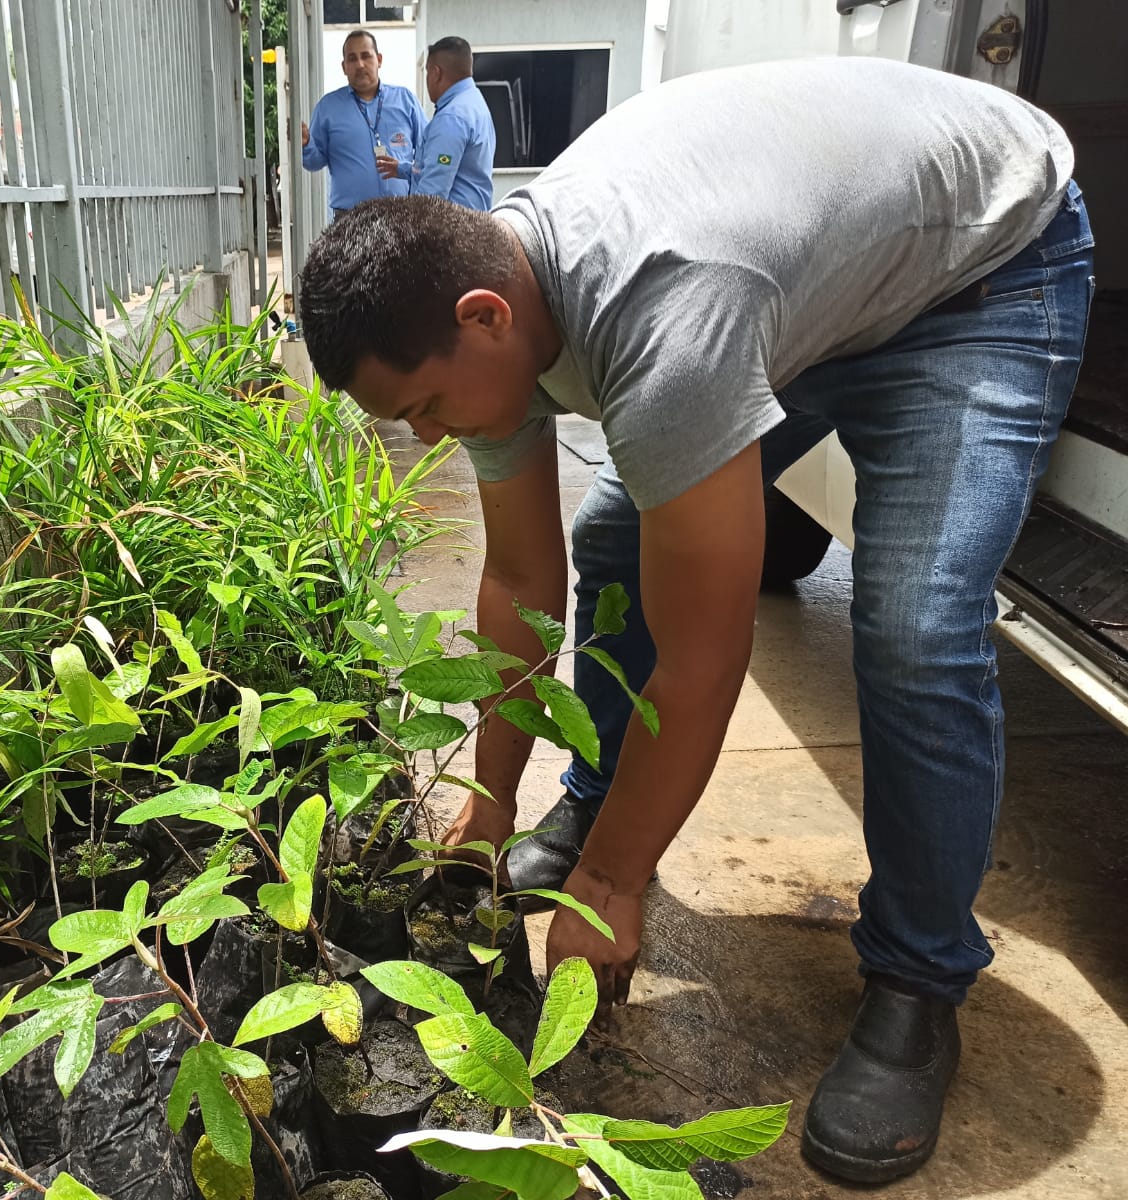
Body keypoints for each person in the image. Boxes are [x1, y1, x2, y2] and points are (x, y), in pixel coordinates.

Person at [297, 57, 1090, 1185]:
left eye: (424, 407)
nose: (424, 438)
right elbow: (520, 585)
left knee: (915, 627)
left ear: (484, 316)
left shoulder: (662, 314)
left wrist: (618, 886)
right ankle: (593, 800)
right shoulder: (490, 311)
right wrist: (484, 812)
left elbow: (705, 652)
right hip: (808, 286)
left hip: (981, 272)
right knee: (612, 541)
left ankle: (919, 979)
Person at [301, 29, 425, 219]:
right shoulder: (328, 107)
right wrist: (305, 143)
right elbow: (313, 162)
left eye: (366, 56)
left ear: (379, 60)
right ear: (344, 67)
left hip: (401, 216)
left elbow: (427, 151)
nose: (360, 64)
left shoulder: (405, 101)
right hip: (349, 220)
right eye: (352, 58)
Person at [412, 36, 497, 211]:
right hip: (475, 223)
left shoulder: (451, 118)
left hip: (453, 232)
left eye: (427, 72)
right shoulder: (474, 102)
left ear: (436, 73)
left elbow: (430, 197)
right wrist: (402, 169)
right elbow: (453, 168)